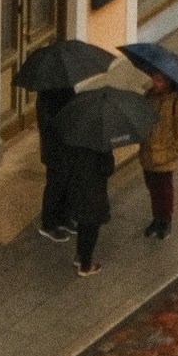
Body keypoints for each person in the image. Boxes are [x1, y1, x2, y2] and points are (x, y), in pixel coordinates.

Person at [32, 76, 119, 276]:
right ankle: (53, 226)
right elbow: (107, 168)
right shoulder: (49, 100)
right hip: (60, 155)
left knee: (70, 199)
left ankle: (64, 220)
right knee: (57, 188)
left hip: (74, 172)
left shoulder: (64, 94)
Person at [136, 79, 178, 246]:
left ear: (168, 82)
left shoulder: (177, 102)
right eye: (154, 78)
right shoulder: (150, 96)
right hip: (148, 151)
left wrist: (170, 154)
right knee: (152, 187)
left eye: (159, 80)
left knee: (164, 189)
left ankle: (164, 221)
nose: (156, 83)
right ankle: (156, 219)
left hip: (164, 155)